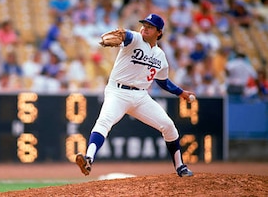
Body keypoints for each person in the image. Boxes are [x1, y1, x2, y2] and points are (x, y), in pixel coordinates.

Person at [75, 14, 194, 177]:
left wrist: (181, 93)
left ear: (159, 32)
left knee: (169, 126)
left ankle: (180, 167)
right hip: (117, 92)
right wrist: (122, 35)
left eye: (150, 26)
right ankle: (88, 158)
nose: (145, 27)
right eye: (144, 24)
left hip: (141, 97)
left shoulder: (160, 56)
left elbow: (163, 81)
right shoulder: (136, 38)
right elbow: (126, 35)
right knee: (104, 122)